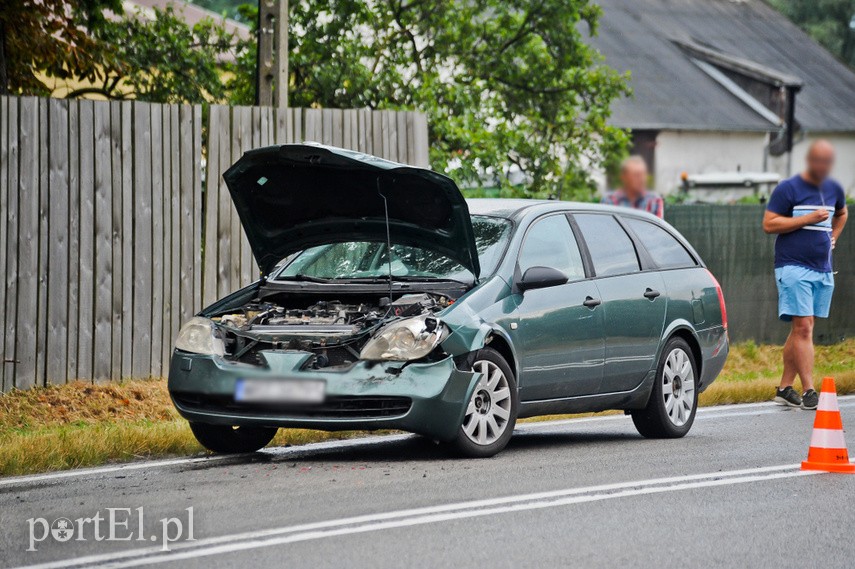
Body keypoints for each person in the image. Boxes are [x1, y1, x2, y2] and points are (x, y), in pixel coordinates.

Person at [762, 140, 848, 410]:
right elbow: (769, 224)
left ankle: (785, 387)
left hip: (822, 268)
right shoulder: (789, 188)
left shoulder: (834, 188)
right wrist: (807, 219)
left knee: (802, 327)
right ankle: (809, 389)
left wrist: (833, 236)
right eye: (818, 160)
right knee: (804, 327)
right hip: (792, 266)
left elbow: (842, 214)